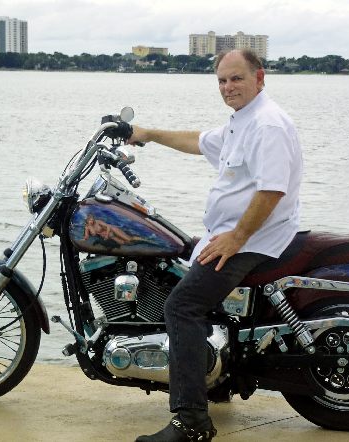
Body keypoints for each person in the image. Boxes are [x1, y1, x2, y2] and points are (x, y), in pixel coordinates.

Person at [128, 49, 303, 442]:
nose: (228, 87)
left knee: (182, 306)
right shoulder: (243, 121)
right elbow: (200, 140)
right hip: (238, 232)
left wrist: (237, 237)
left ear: (260, 77)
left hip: (255, 237)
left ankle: (190, 422)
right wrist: (148, 134)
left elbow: (272, 190)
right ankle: (217, 381)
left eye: (236, 78)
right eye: (222, 80)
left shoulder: (268, 124)